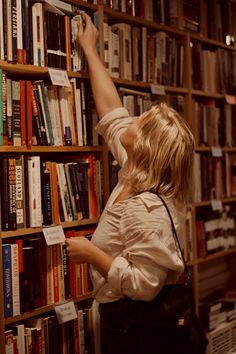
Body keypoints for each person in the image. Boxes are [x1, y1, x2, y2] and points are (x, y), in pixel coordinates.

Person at [66, 13, 195, 354]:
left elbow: (144, 285)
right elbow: (112, 113)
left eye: (141, 121)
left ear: (146, 147)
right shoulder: (138, 169)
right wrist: (89, 48)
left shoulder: (146, 206)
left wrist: (93, 254)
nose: (132, 116)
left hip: (133, 330)